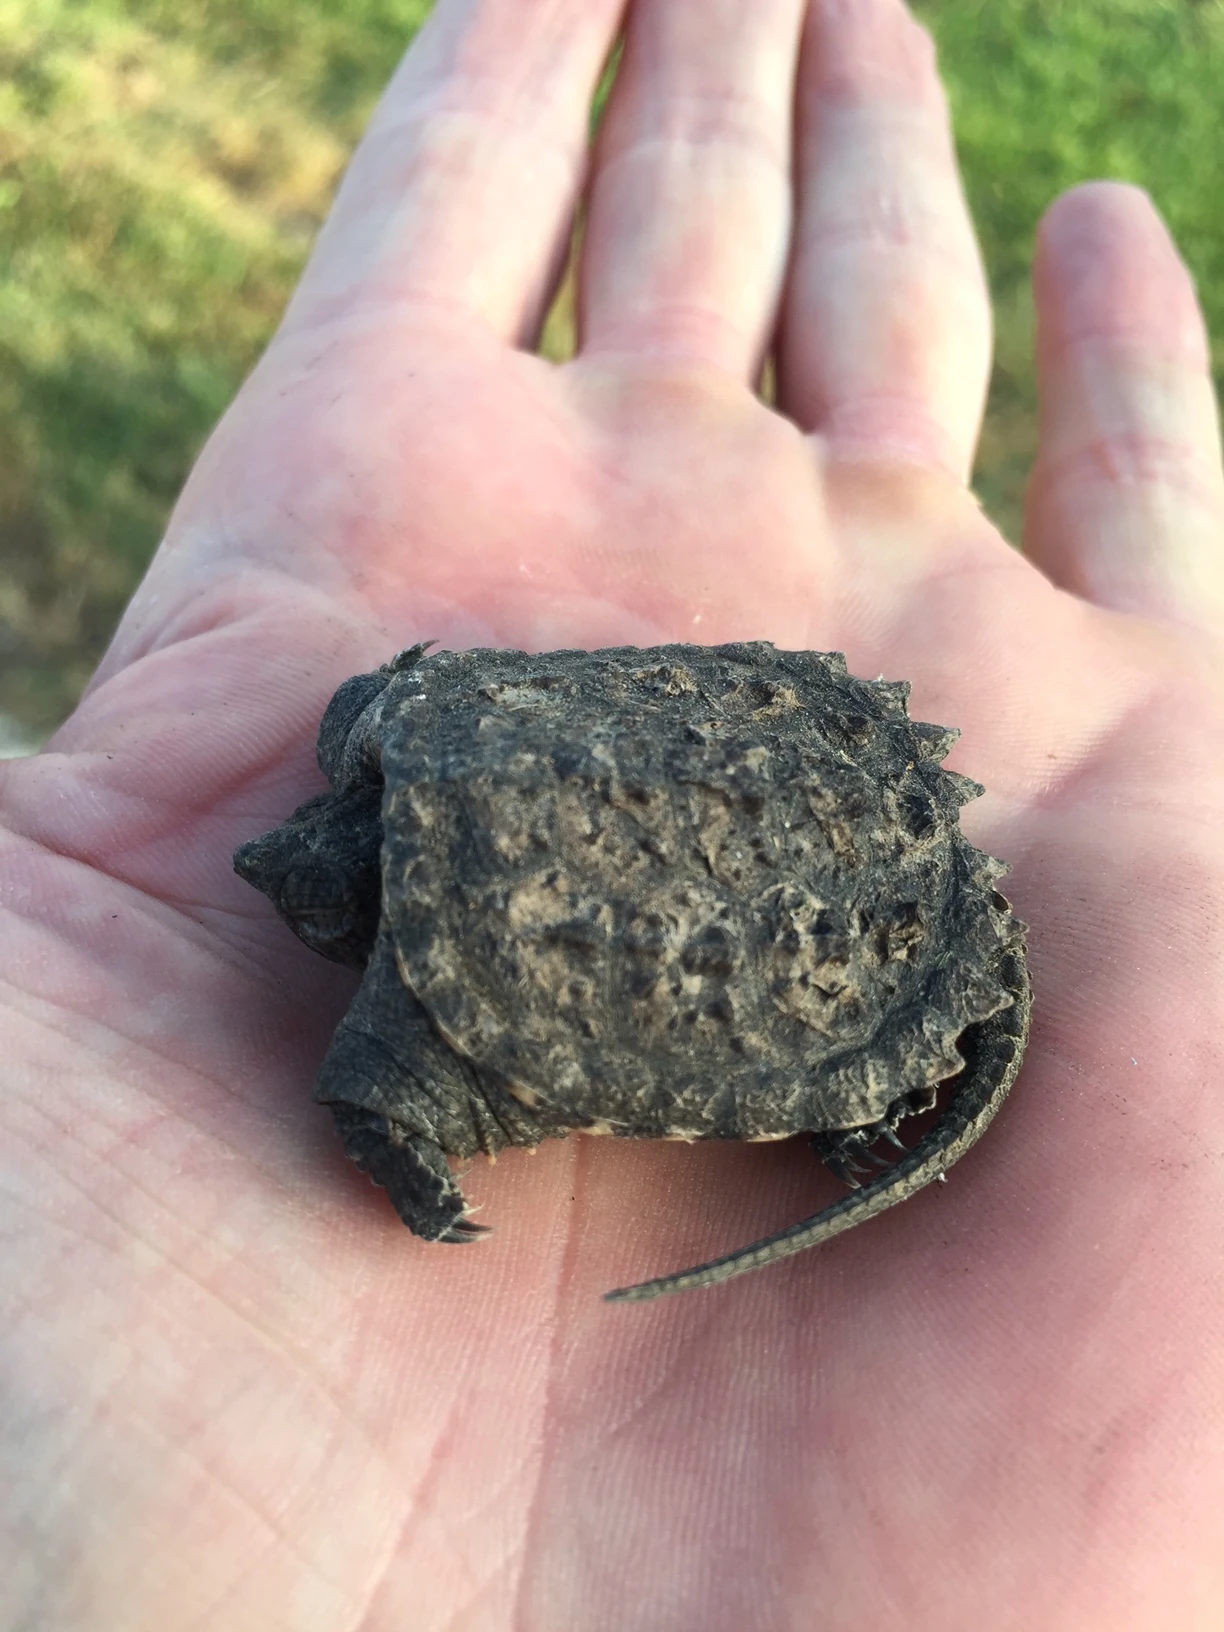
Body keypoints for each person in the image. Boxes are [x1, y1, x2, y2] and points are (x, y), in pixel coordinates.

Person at [3, 0, 1222, 1625]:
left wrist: (413, 1171)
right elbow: (394, 704)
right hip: (835, 793)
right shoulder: (394, 744)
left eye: (315, 883)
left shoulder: (403, 999)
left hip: (851, 916)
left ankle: (880, 1089)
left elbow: (379, 1078)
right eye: (314, 876)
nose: (275, 860)